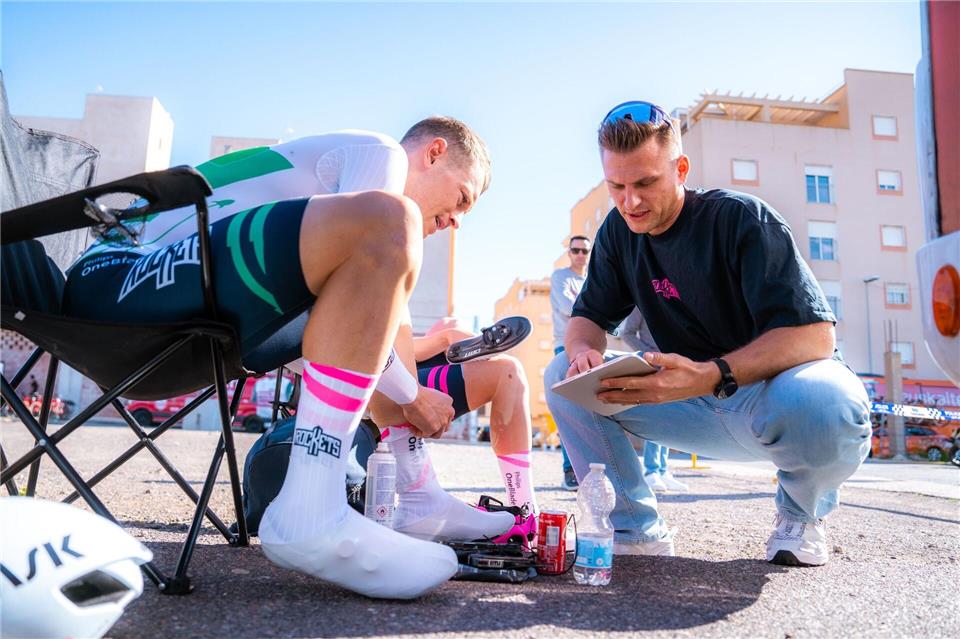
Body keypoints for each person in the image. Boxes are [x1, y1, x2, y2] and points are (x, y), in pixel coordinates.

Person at [61, 117, 497, 599]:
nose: (457, 221)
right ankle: (311, 511)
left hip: (162, 313)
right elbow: (367, 277)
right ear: (434, 153)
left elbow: (346, 341)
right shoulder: (381, 154)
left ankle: (417, 495)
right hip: (117, 279)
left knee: (392, 301)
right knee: (391, 223)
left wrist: (409, 379)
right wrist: (413, 396)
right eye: (462, 199)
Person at [545, 100, 870, 567]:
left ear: (680, 168)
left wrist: (711, 373)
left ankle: (800, 517)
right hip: (688, 403)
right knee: (563, 375)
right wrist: (582, 352)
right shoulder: (618, 231)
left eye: (645, 183)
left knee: (827, 403)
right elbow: (588, 318)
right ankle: (634, 531)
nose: (630, 201)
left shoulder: (742, 219)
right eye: (616, 186)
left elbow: (815, 337)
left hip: (771, 399)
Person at [368, 317, 538, 541]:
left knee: (448, 327)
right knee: (507, 369)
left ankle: (523, 509)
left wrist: (443, 338)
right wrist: (414, 396)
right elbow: (368, 331)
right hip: (361, 374)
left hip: (378, 362)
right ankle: (421, 500)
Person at [618, 307, 688, 493]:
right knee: (659, 418)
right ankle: (651, 471)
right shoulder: (640, 305)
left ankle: (663, 470)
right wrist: (651, 355)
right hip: (654, 367)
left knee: (670, 420)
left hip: (673, 367)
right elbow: (627, 334)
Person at [549, 234, 591, 491]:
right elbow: (567, 307)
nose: (579, 255)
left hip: (592, 348)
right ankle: (570, 470)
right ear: (569, 253)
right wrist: (596, 312)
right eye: (575, 250)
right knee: (568, 410)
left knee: (590, 411)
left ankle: (588, 470)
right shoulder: (560, 278)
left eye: (584, 251)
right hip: (565, 347)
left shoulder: (594, 279)